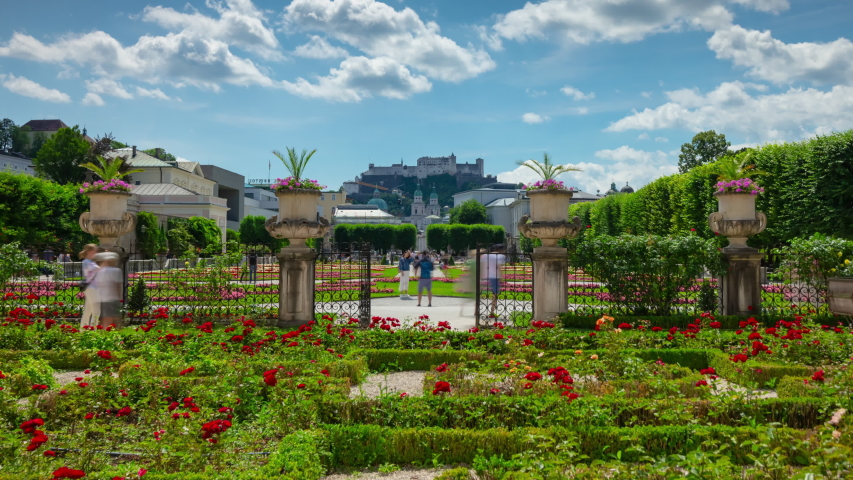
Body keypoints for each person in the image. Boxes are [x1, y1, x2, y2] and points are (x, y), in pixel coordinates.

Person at [94, 252, 122, 328]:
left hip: (102, 298)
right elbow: (117, 285)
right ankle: (115, 331)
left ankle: (105, 330)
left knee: (104, 318)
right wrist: (119, 297)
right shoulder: (116, 271)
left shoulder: (99, 270)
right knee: (115, 317)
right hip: (113, 298)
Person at [480, 244, 507, 315]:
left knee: (483, 293)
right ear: (501, 250)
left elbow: (482, 263)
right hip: (495, 276)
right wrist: (501, 277)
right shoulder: (500, 256)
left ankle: (476, 310)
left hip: (487, 276)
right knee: (495, 294)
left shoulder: (487, 255)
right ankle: (492, 311)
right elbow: (498, 266)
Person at [79, 244, 101, 328]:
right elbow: (99, 269)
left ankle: (83, 330)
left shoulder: (89, 261)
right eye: (95, 251)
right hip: (92, 289)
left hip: (91, 288)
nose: (96, 253)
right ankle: (93, 330)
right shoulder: (87, 262)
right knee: (96, 312)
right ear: (89, 251)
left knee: (87, 312)